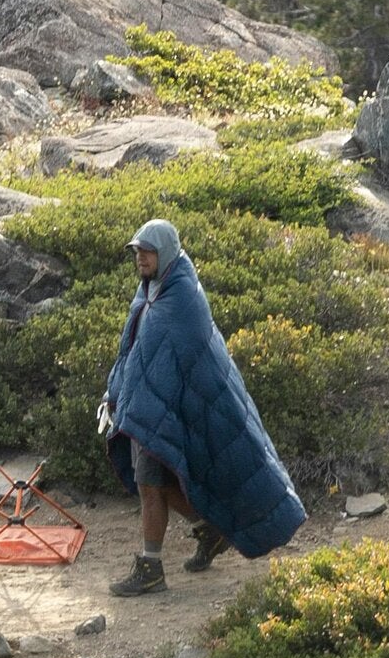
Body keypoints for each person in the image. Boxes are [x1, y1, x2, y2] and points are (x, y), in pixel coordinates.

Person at [99, 219, 306, 596]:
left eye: (147, 252)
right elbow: (133, 348)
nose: (140, 258)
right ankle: (208, 532)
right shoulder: (150, 289)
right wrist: (114, 393)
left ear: (164, 252)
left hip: (171, 410)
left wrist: (145, 404)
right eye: (137, 252)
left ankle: (150, 569)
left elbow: (182, 357)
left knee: (150, 484)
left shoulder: (183, 296)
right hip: (150, 408)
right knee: (163, 482)